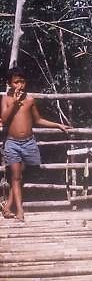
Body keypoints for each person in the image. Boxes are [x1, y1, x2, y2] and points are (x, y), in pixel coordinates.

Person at [0, 66, 70, 222]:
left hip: (29, 142)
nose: (20, 85)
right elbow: (4, 118)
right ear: (10, 83)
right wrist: (15, 103)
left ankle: (7, 205)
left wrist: (58, 125)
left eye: (22, 82)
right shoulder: (6, 99)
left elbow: (38, 120)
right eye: (16, 82)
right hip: (12, 143)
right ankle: (20, 210)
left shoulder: (30, 100)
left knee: (20, 175)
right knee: (16, 177)